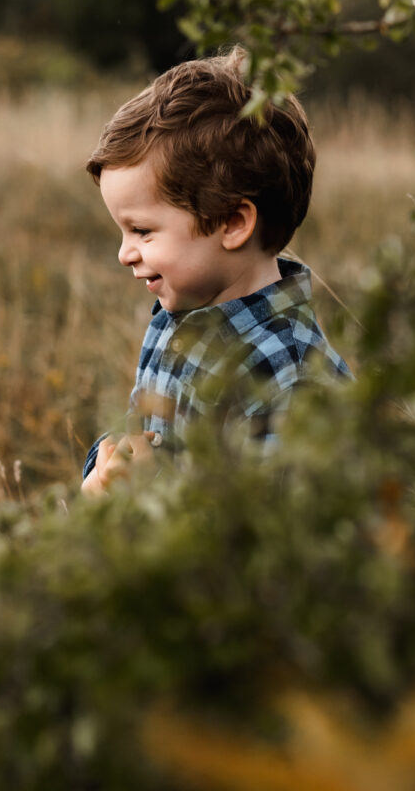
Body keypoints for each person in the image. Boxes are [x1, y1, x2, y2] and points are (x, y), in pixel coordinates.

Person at [81, 47, 349, 495]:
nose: (124, 253)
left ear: (232, 222)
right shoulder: (176, 320)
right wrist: (107, 469)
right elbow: (138, 434)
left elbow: (263, 543)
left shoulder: (287, 377)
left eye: (142, 230)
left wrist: (146, 500)